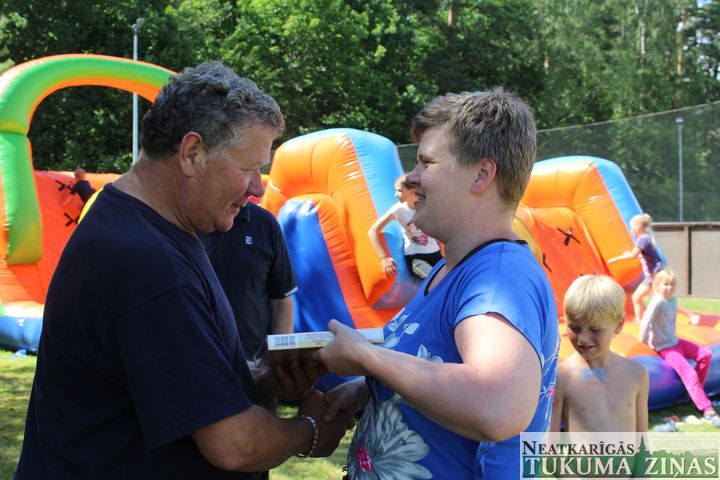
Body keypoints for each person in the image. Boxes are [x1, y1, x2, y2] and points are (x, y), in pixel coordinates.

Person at [15, 61, 353, 480]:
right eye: (248, 168)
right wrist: (312, 430)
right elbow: (233, 443)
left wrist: (260, 378)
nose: (257, 187)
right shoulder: (144, 260)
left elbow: (163, 382)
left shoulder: (143, 227)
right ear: (192, 153)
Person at [314, 88, 559, 479]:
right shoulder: (453, 269)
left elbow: (497, 405)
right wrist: (368, 388)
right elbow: (440, 367)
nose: (412, 178)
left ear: (481, 175)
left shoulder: (498, 277)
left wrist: (368, 357)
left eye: (426, 162)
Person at [199, 201, 297, 362]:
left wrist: (280, 360)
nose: (258, 190)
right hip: (196, 359)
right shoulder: (185, 221)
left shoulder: (265, 224)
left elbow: (281, 300)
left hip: (253, 362)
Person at [551, 275, 649, 432]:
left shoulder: (637, 374)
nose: (583, 339)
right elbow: (550, 442)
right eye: (575, 328)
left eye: (595, 329)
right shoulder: (561, 377)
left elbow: (642, 438)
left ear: (619, 325)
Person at [639, 268, 720, 427]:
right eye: (665, 284)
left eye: (672, 284)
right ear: (658, 285)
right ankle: (707, 410)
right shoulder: (657, 302)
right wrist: (644, 342)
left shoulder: (673, 300)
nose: (669, 288)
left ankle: (695, 392)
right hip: (665, 347)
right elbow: (645, 322)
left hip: (675, 342)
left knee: (705, 354)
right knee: (689, 374)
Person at [368, 174, 443, 279]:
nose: (395, 194)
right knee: (437, 280)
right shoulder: (398, 210)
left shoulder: (428, 206)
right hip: (416, 258)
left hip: (436, 254)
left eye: (399, 190)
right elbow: (373, 231)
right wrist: (384, 258)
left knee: (453, 279)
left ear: (412, 191)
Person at [607, 213, 663, 322]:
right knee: (644, 298)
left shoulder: (642, 238)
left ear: (637, 227)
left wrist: (615, 259)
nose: (631, 231)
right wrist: (629, 254)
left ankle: (639, 321)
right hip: (653, 274)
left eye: (631, 228)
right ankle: (640, 320)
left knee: (644, 298)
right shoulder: (645, 238)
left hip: (654, 274)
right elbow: (637, 254)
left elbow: (634, 255)